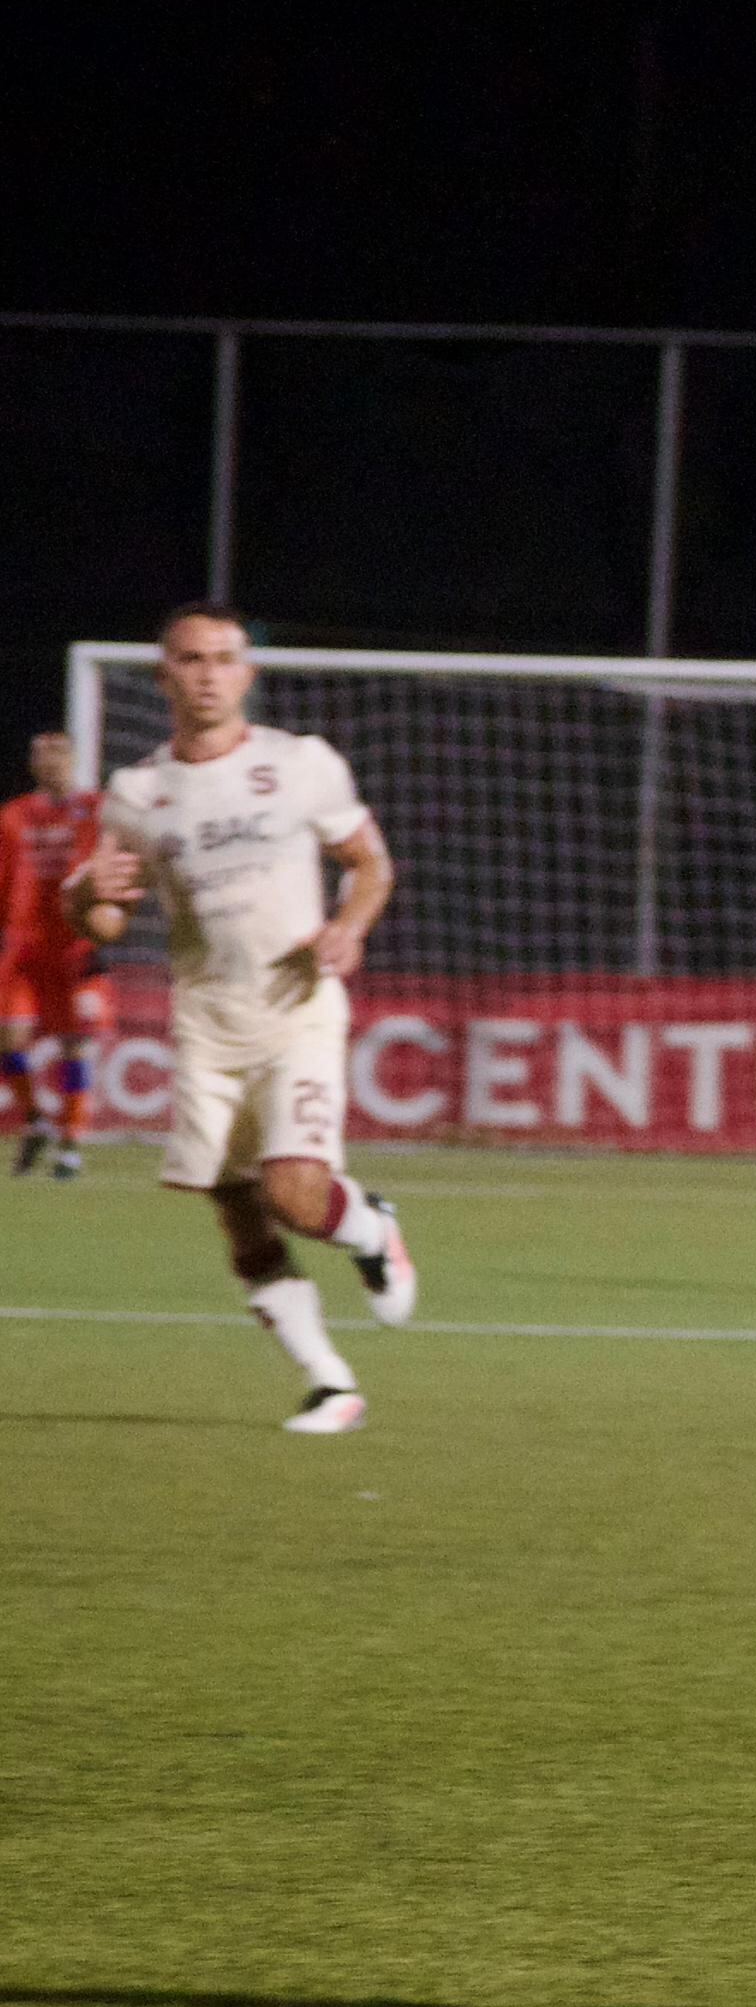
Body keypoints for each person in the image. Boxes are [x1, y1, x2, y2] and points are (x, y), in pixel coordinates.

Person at [71, 605, 420, 1430]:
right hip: (206, 1023)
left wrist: (349, 926)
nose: (207, 674)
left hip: (296, 1010)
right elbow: (106, 921)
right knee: (235, 1209)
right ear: (164, 675)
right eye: (190, 660)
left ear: (247, 674)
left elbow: (369, 863)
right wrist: (88, 899)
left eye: (223, 659)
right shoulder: (137, 794)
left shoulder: (301, 765)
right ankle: (331, 1382)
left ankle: (371, 1229)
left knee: (295, 1197)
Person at [4, 729, 109, 1178]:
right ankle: (33, 1119)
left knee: (74, 1045)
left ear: (73, 761)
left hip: (75, 948)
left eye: (59, 757)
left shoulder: (96, 811)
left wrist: (102, 931)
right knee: (9, 1041)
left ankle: (70, 1141)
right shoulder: (13, 816)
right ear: (33, 765)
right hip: (26, 949)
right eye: (43, 757)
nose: (51, 765)